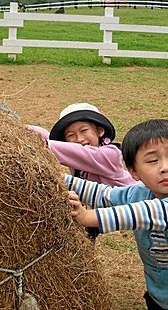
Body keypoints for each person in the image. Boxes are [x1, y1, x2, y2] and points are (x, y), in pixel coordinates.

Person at [65, 119, 168, 310]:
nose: (165, 167)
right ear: (134, 171)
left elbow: (144, 213)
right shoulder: (138, 192)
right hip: (160, 294)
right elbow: (105, 195)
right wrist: (59, 178)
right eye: (153, 160)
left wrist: (87, 217)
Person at [27, 102, 136, 240]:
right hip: (96, 210)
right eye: (71, 135)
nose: (79, 139)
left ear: (100, 131)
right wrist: (23, 129)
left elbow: (78, 152)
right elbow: (53, 139)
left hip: (130, 203)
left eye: (84, 131)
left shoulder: (110, 155)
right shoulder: (76, 156)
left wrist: (43, 144)